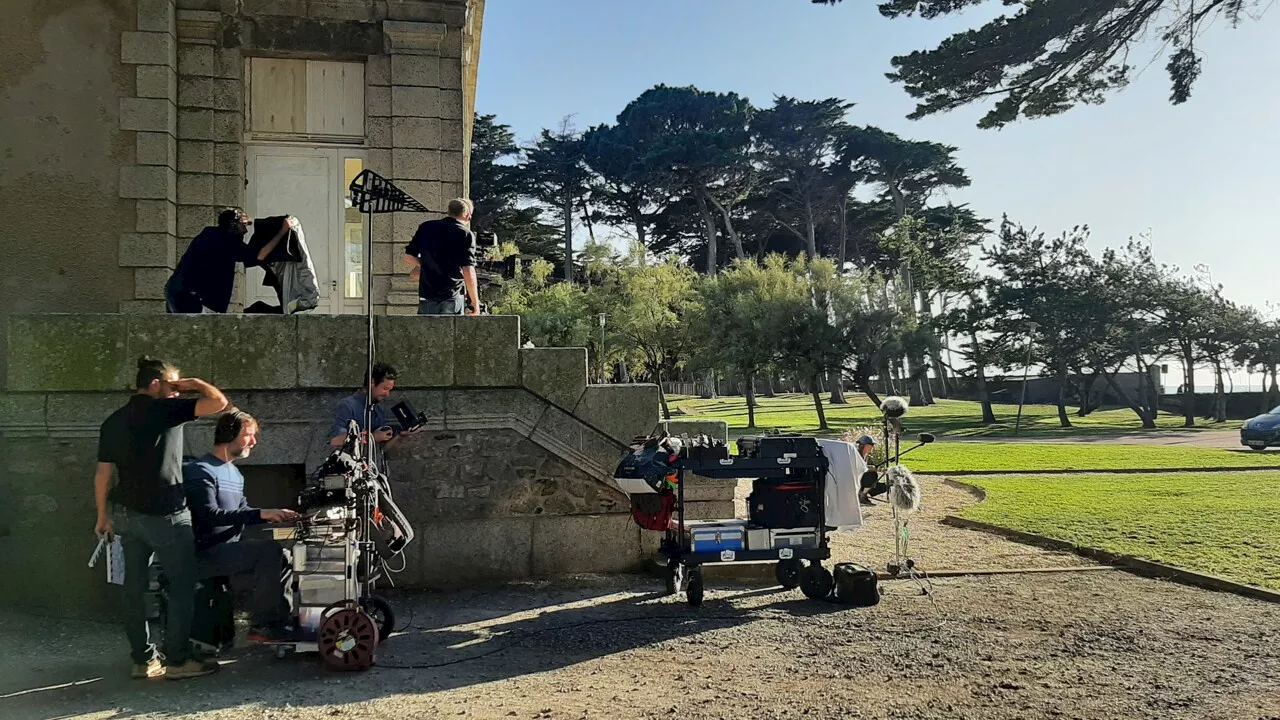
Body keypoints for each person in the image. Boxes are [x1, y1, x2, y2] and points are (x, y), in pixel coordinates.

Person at [94, 357, 229, 680]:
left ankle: (142, 659)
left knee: (134, 587)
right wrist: (194, 384)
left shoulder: (113, 420)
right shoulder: (165, 411)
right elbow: (220, 403)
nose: (177, 393)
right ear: (156, 384)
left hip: (125, 515)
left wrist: (102, 515)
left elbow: (103, 474)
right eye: (173, 386)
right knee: (182, 584)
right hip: (165, 513)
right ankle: (178, 661)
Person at [184, 410, 299, 642]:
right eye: (248, 435)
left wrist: (275, 514)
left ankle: (279, 621)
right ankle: (263, 626)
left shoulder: (235, 473)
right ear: (229, 433)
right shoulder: (200, 470)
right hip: (206, 553)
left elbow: (243, 511)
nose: (254, 442)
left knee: (284, 554)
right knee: (270, 551)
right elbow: (209, 515)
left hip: (230, 550)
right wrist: (261, 514)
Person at [166, 208, 296, 314]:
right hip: (191, 297)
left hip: (174, 290)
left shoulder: (209, 234)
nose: (245, 231)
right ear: (233, 224)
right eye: (243, 226)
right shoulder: (228, 240)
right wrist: (283, 231)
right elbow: (259, 256)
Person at [403, 198, 480, 316]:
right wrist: (475, 303)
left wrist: (427, 264)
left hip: (427, 294)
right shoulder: (465, 234)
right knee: (450, 333)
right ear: (468, 215)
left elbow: (408, 257)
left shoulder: (426, 227)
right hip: (452, 295)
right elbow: (468, 270)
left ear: (449, 212)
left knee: (426, 333)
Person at [329, 362, 420, 448]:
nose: (387, 394)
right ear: (371, 383)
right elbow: (335, 441)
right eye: (384, 388)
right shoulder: (347, 406)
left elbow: (381, 449)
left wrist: (399, 435)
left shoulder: (378, 408)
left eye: (389, 390)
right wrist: (371, 437)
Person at [854, 435, 886, 505]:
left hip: (859, 478)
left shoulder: (865, 455)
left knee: (873, 476)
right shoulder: (856, 454)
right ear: (865, 445)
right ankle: (862, 496)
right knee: (871, 475)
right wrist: (871, 469)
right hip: (854, 478)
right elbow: (857, 468)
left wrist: (873, 468)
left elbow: (863, 466)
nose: (873, 447)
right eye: (872, 445)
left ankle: (863, 494)